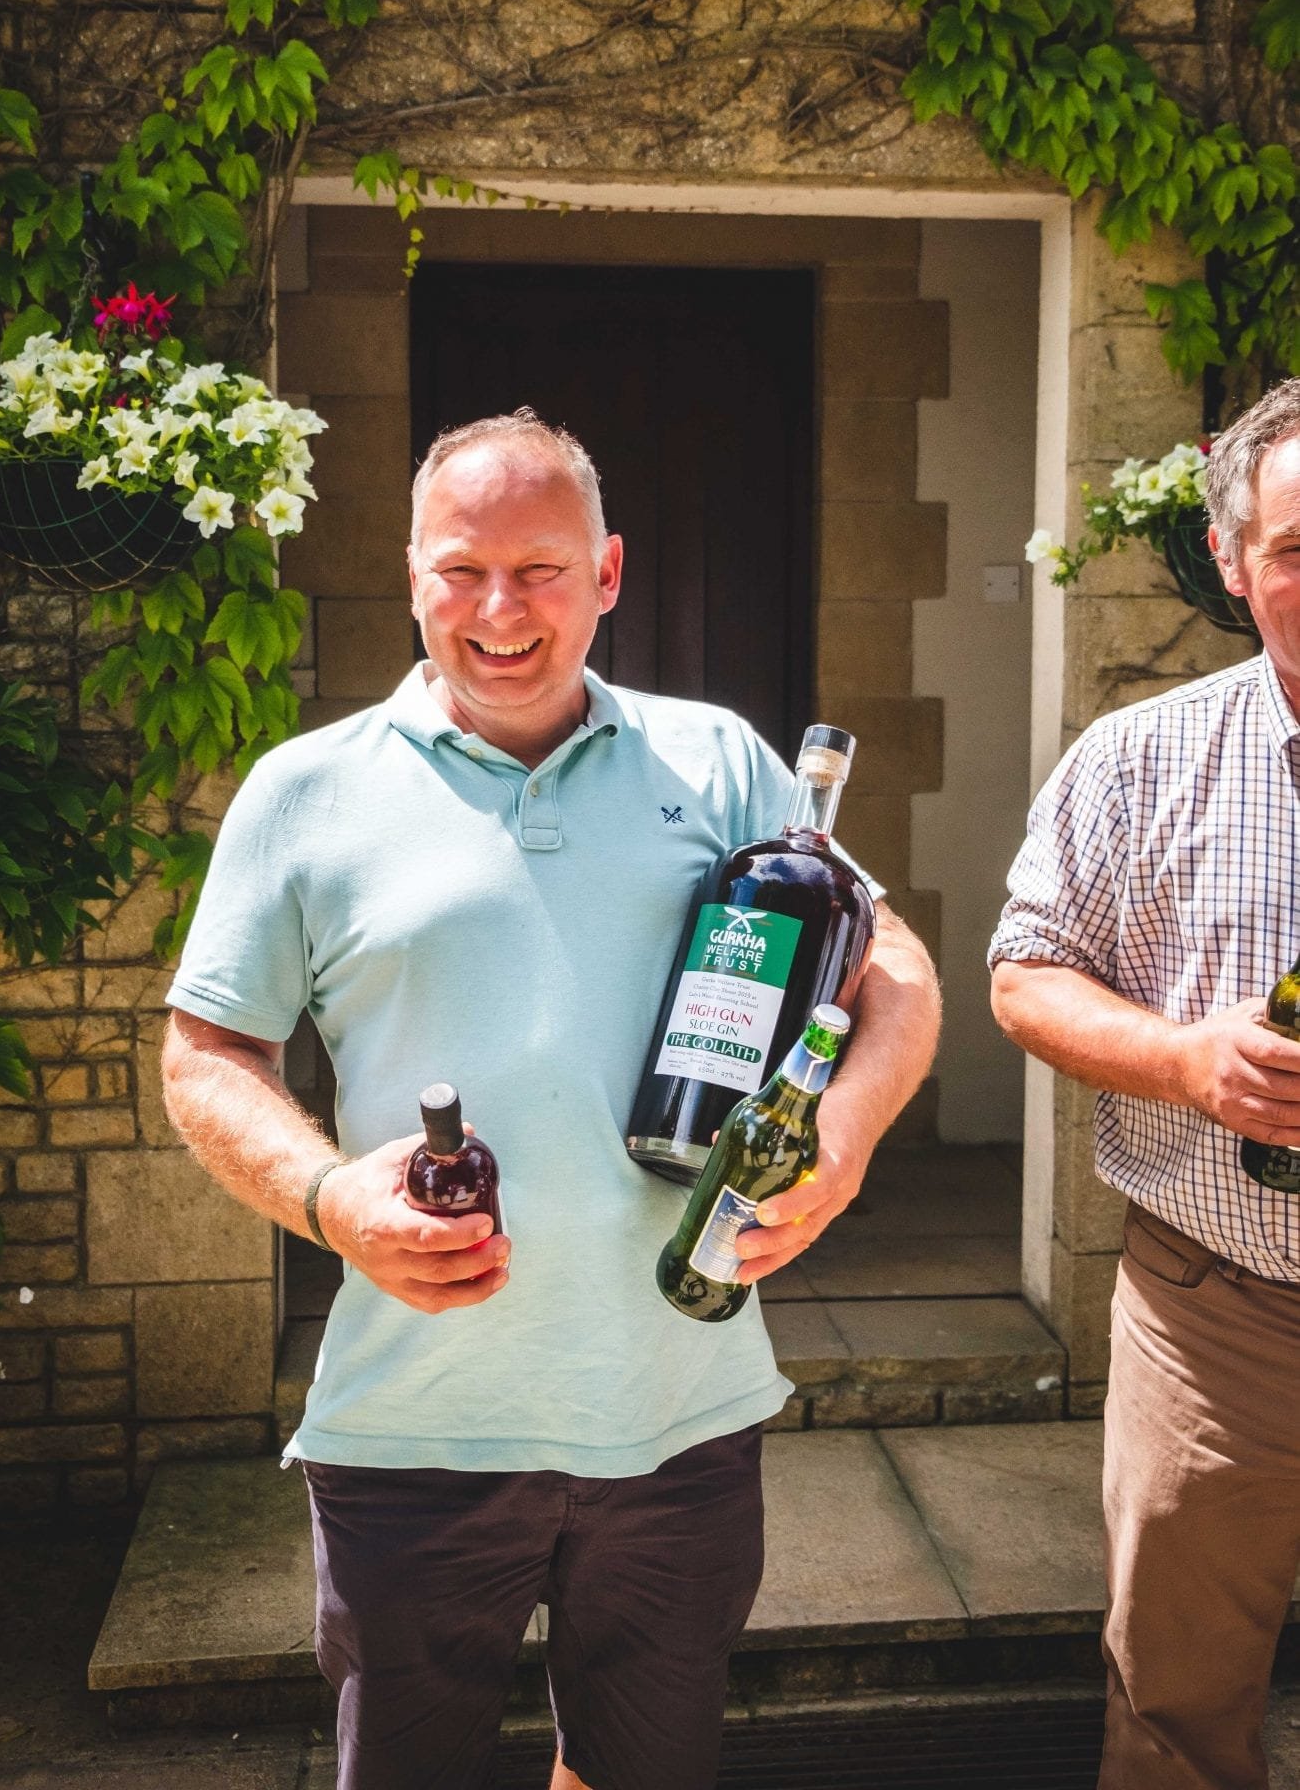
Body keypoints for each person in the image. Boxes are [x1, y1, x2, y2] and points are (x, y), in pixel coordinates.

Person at [161, 406, 940, 1790]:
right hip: (415, 1426)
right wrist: (333, 1197)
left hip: (679, 1413)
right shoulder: (305, 790)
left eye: (542, 569)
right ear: (412, 573)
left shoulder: (717, 764)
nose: (500, 610)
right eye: (461, 569)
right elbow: (207, 1054)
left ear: (610, 574)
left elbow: (896, 977)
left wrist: (842, 1137)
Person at [989, 378, 1300, 1790]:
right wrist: (1184, 1059)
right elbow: (1023, 975)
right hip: (1219, 1310)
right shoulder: (1138, 759)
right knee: (1176, 1694)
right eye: (1293, 550)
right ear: (1231, 566)